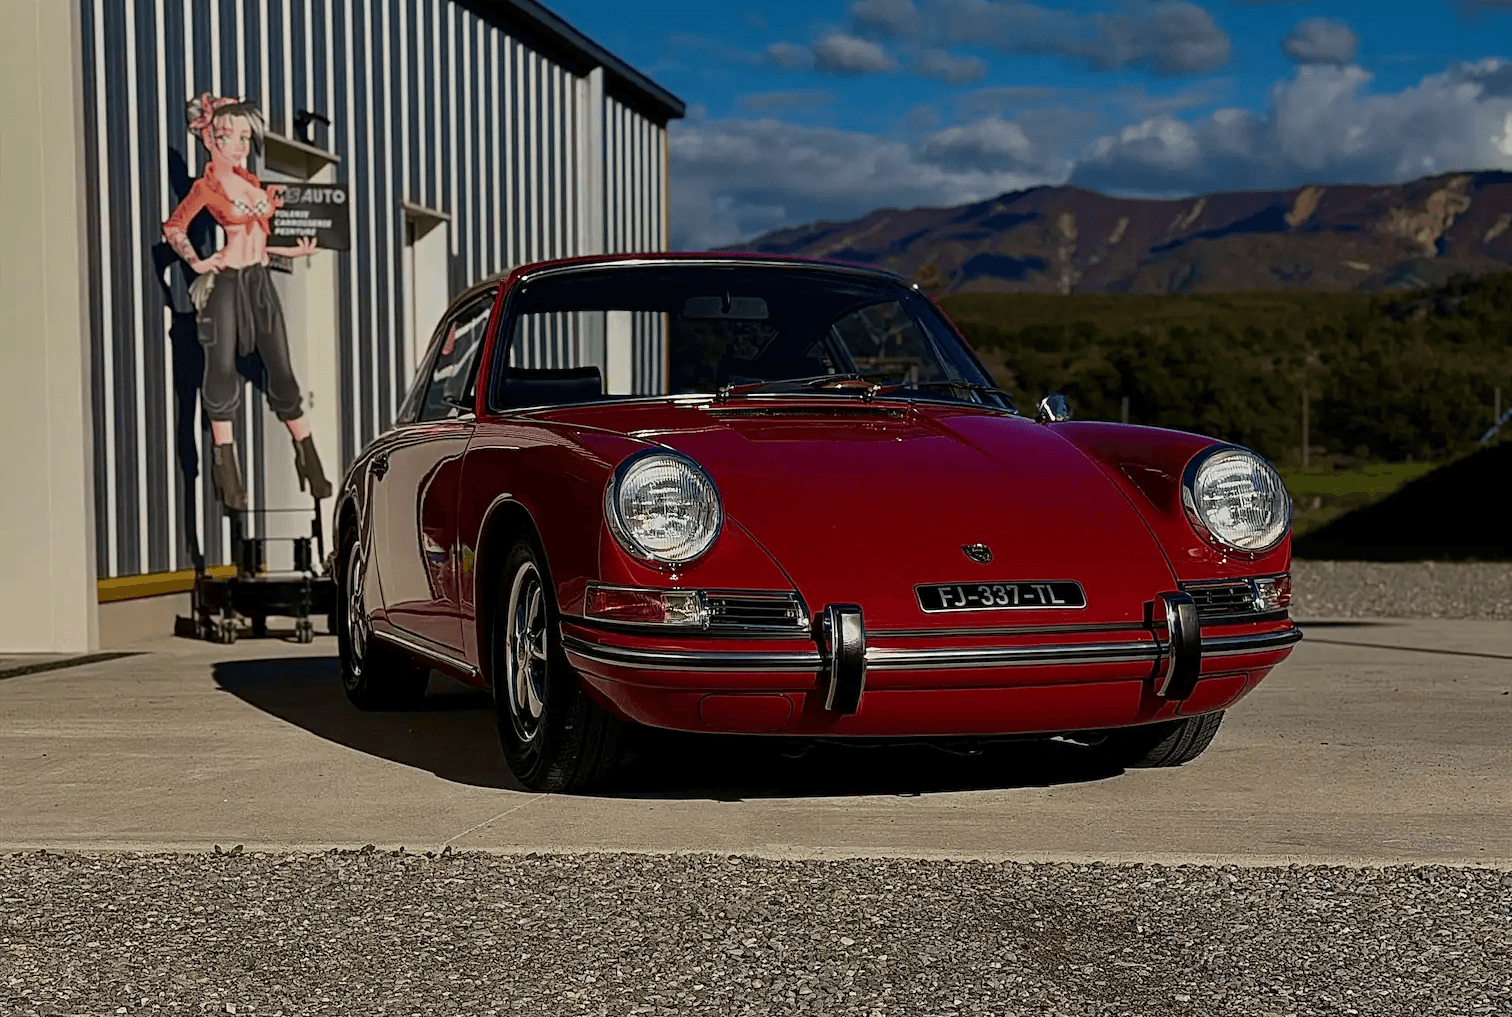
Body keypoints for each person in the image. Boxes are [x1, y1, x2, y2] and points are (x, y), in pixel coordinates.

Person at [162, 92, 332, 510]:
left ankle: (308, 458)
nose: (238, 145)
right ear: (209, 139)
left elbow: (262, 240)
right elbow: (174, 227)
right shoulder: (208, 187)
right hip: (228, 285)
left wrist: (294, 252)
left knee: (281, 367)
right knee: (219, 373)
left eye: (243, 137)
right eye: (228, 136)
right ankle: (228, 473)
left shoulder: (251, 183)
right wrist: (199, 263)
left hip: (260, 283)